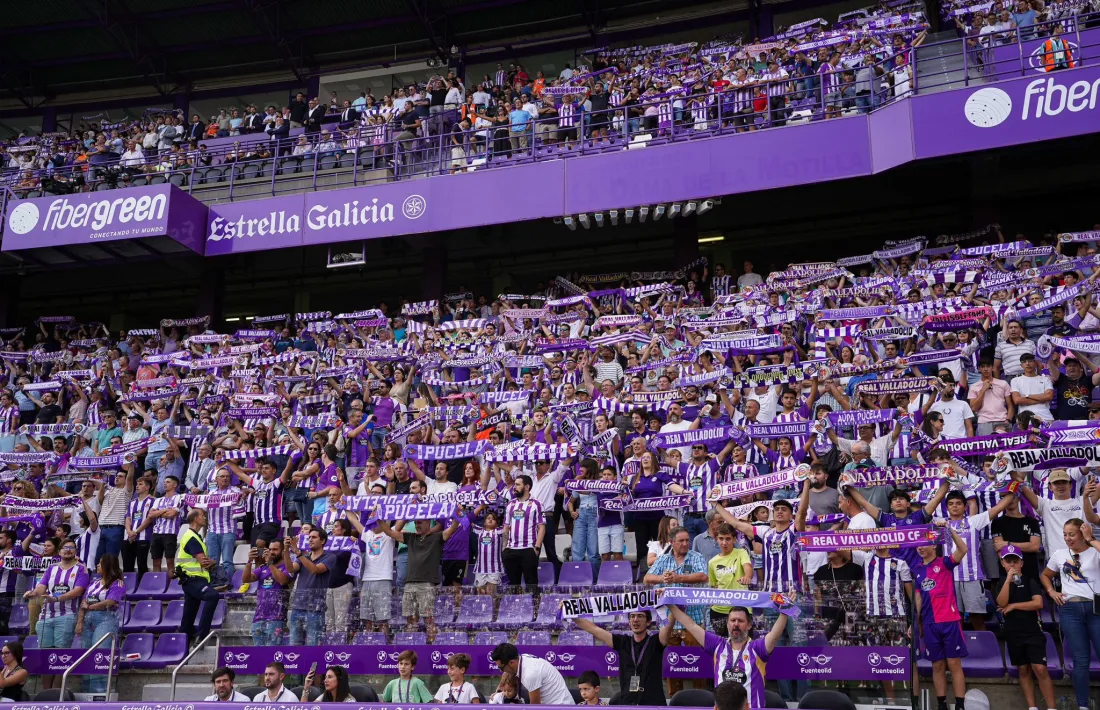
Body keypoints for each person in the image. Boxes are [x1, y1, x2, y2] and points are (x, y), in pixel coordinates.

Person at [668, 604, 790, 709]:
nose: (736, 624)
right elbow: (691, 626)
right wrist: (670, 605)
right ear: (727, 624)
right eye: (732, 620)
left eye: (740, 621)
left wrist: (784, 611)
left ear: (749, 625)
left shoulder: (757, 648)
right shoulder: (717, 645)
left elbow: (775, 633)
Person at [1041, 518, 1100, 710]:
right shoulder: (1059, 554)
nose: (1067, 538)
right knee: (1080, 659)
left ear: (1082, 534)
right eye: (1065, 534)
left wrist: (1091, 540)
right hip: (1070, 609)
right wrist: (1051, 592)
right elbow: (1045, 575)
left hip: (1095, 608)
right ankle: (1083, 705)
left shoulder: (1094, 551)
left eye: (1072, 534)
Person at [643, 526, 708, 696]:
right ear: (672, 542)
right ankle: (674, 700)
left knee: (697, 664)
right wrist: (662, 578)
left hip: (692, 620)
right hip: (669, 622)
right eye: (681, 541)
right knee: (673, 665)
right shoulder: (663, 559)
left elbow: (703, 576)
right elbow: (647, 578)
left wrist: (677, 578)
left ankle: (701, 699)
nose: (685, 543)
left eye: (687, 540)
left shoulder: (696, 557)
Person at [994, 545, 1055, 710]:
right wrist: (1008, 580)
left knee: (1040, 668)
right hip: (1013, 631)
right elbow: (1001, 603)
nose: (1012, 564)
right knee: (1023, 669)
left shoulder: (1030, 581)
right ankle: (1032, 707)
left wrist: (1014, 606)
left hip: (1032, 630)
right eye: (1008, 561)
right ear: (1003, 563)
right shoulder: (1001, 583)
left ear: (1021, 563)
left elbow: (1038, 603)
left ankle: (1051, 707)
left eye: (1015, 561)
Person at [23, 538, 88, 689]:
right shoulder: (51, 568)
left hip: (67, 616)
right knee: (46, 657)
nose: (68, 550)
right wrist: (32, 593)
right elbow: (41, 587)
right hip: (46, 617)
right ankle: (46, 693)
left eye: (71, 548)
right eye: (65, 547)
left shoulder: (81, 569)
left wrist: (57, 598)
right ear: (59, 551)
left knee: (60, 658)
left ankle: (57, 694)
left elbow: (78, 591)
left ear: (75, 552)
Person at [573, 610, 674, 706]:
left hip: (653, 705)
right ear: (629, 622)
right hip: (628, 704)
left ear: (648, 622)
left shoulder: (656, 641)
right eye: (632, 616)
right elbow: (594, 629)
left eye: (640, 616)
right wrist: (572, 615)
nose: (635, 619)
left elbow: (668, 626)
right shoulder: (622, 642)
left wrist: (673, 604)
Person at [74, 554, 126, 692]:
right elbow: (83, 602)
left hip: (106, 619)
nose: (97, 565)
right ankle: (85, 691)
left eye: (100, 563)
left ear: (108, 566)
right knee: (85, 654)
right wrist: (79, 622)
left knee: (100, 655)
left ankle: (99, 692)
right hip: (87, 620)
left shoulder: (117, 583)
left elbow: (111, 601)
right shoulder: (93, 583)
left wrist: (91, 607)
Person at [285, 527, 336, 646]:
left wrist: (298, 553)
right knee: (294, 647)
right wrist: (286, 550)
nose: (310, 540)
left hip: (316, 609)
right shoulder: (304, 557)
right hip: (298, 607)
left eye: (314, 537)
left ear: (322, 541)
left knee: (313, 647)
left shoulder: (330, 557)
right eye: (309, 538)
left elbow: (315, 570)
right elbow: (290, 569)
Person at [177, 508, 220, 648]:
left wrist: (210, 562)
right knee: (212, 596)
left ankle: (184, 641)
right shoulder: (191, 537)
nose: (205, 518)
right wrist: (213, 562)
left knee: (189, 615)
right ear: (195, 519)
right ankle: (202, 635)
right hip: (193, 579)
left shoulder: (194, 536)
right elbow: (204, 562)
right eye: (203, 515)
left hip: (193, 579)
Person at [242, 538, 293, 646]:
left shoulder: (287, 567)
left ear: (283, 552)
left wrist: (270, 563)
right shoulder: (262, 568)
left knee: (272, 655)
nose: (271, 552)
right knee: (259, 656)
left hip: (276, 619)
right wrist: (249, 561)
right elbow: (246, 579)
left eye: (275, 549)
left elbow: (283, 580)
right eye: (270, 549)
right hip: (258, 618)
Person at [490, 642, 573, 705]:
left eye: (501, 668)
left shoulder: (530, 674)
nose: (501, 671)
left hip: (561, 706)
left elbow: (534, 706)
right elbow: (507, 673)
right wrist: (499, 690)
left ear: (511, 663)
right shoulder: (522, 658)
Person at [502, 474, 545, 592]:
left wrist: (536, 547)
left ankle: (535, 610)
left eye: (517, 485)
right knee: (513, 587)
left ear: (526, 487)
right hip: (511, 550)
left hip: (528, 549)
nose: (514, 487)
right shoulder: (510, 504)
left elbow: (541, 527)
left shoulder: (536, 504)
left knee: (531, 585)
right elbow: (506, 527)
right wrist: (504, 548)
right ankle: (515, 610)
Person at [707, 523, 753, 633]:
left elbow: (748, 568)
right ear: (716, 539)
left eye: (728, 539)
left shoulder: (741, 552)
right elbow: (713, 585)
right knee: (722, 646)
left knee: (745, 644)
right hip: (719, 610)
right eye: (721, 539)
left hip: (742, 608)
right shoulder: (712, 562)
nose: (724, 542)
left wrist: (747, 577)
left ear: (734, 539)